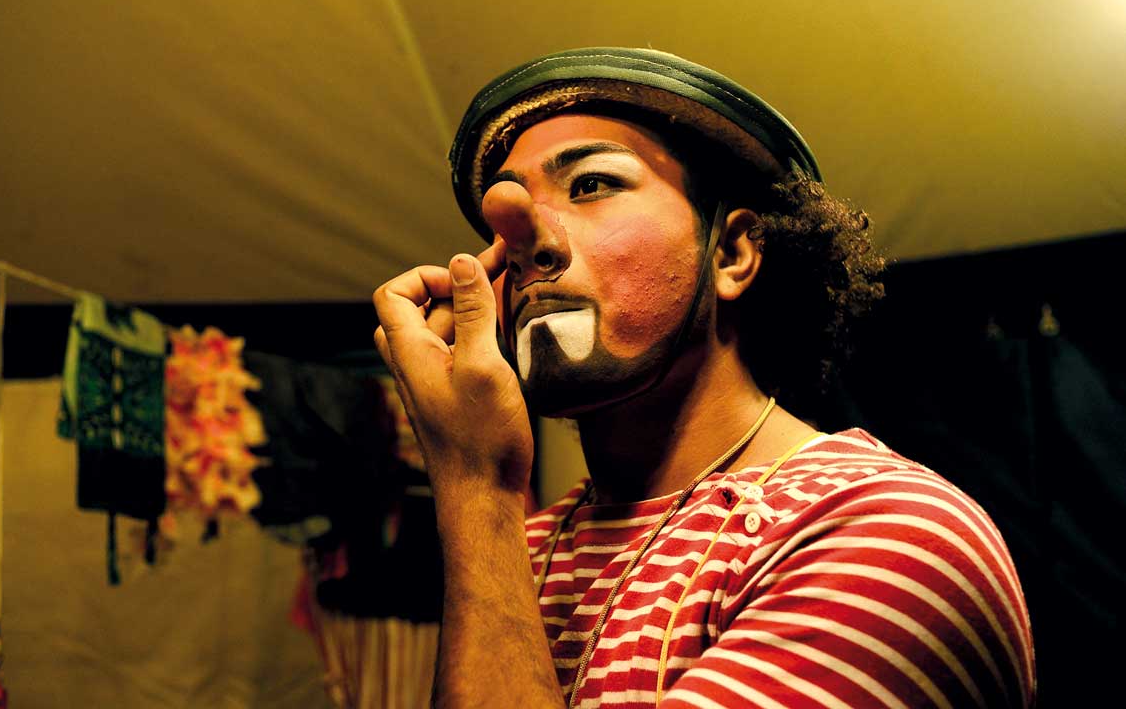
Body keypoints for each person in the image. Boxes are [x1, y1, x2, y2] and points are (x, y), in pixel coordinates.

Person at [373, 47, 1035, 708]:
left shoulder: (888, 532)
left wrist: (477, 485)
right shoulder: (518, 555)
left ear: (733, 253)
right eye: (507, 225)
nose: (527, 245)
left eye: (591, 185)